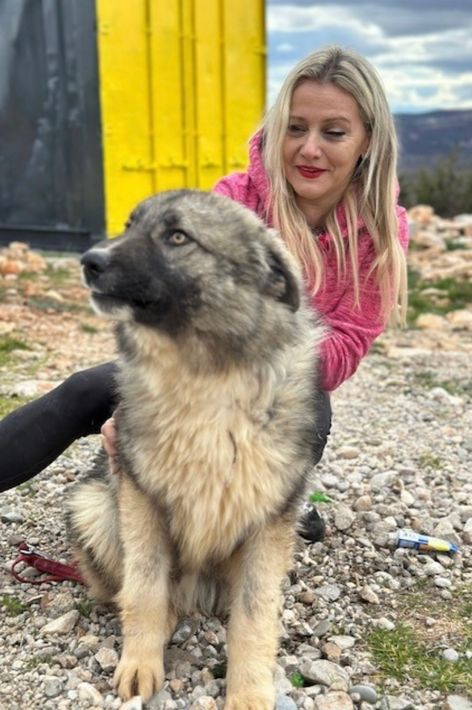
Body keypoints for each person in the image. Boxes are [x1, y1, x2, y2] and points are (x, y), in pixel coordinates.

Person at [0, 46, 408, 541]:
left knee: (309, 407)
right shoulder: (234, 198)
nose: (309, 148)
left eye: (334, 133)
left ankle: (265, 509)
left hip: (277, 389)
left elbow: (341, 355)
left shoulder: (382, 232)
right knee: (84, 390)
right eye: (295, 128)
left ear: (367, 141)